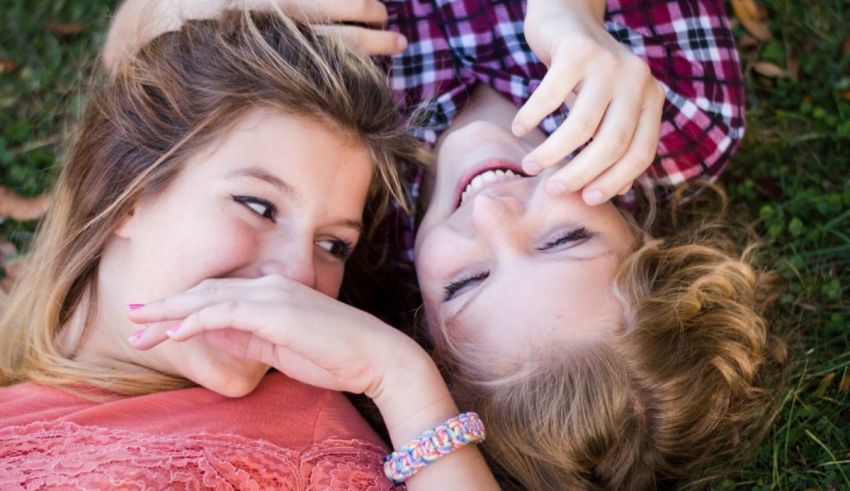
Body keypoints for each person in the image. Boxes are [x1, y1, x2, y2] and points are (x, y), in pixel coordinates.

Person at [68, 0, 778, 489]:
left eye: (466, 281)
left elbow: (139, 60)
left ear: (426, 326)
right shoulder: (682, 113)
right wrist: (572, 15)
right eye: (564, 237)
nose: (493, 212)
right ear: (640, 232)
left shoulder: (348, 192)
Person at [0, 10, 499, 489]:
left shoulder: (314, 423)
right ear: (127, 191)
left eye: (333, 244)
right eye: (259, 207)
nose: (298, 276)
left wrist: (403, 378)